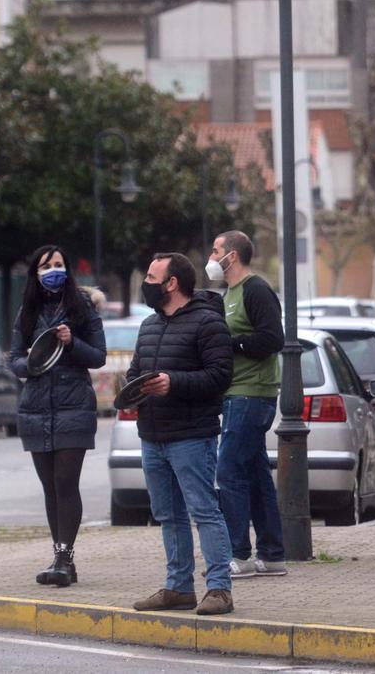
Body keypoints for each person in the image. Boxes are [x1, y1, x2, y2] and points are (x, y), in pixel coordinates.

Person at [128, 253, 236, 616]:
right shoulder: (148, 325)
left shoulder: (208, 323)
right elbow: (135, 371)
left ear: (172, 283)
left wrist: (174, 383)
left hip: (192, 435)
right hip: (152, 435)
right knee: (168, 514)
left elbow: (220, 377)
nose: (146, 283)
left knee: (204, 510)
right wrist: (132, 390)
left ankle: (219, 589)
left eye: (151, 276)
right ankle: (178, 587)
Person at [7, 245, 106, 587]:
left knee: (66, 483)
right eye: (47, 265)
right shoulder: (28, 311)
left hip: (73, 405)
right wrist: (31, 363)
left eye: (59, 264)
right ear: (36, 272)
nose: (54, 269)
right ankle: (59, 555)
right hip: (36, 407)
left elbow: (99, 357)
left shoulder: (82, 308)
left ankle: (65, 557)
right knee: (49, 487)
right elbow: (15, 359)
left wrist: (72, 342)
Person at [206, 231, 286, 579]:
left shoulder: (255, 290)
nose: (211, 257)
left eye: (216, 250)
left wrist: (232, 343)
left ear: (233, 256)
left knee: (228, 471)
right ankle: (271, 555)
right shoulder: (230, 293)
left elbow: (273, 339)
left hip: (252, 394)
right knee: (255, 474)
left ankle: (239, 554)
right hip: (238, 393)